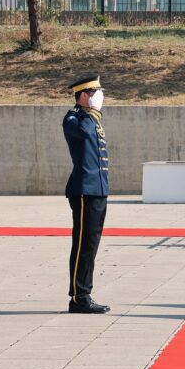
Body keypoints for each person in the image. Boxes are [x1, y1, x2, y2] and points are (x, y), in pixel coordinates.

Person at [63, 75, 110, 314]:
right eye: (95, 92)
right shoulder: (74, 119)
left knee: (90, 245)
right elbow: (84, 132)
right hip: (84, 191)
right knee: (82, 245)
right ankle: (78, 297)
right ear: (83, 95)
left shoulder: (92, 119)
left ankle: (84, 293)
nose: (99, 97)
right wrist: (91, 112)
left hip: (98, 190)